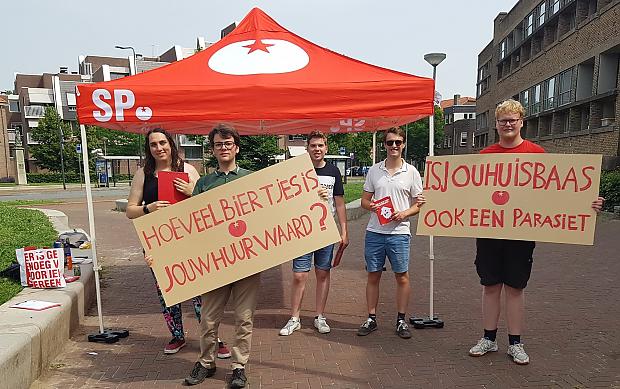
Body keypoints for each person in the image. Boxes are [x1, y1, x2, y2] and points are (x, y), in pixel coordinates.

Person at [468, 99, 605, 365]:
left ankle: (515, 343)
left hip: (521, 231)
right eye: (503, 120)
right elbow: (466, 192)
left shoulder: (537, 154)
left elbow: (555, 192)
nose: (508, 124)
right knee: (491, 286)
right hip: (489, 231)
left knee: (516, 287)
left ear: (521, 122)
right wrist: (436, 200)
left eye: (512, 119)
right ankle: (488, 338)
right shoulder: (484, 157)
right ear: (496, 125)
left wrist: (587, 202)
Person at [126, 128, 231, 359]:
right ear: (149, 148)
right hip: (159, 241)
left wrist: (192, 191)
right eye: (153, 144)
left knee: (201, 291)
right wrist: (148, 208)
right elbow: (130, 211)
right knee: (167, 291)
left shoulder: (188, 170)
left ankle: (213, 337)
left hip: (188, 239)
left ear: (170, 144)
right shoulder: (143, 174)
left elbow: (206, 202)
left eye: (162, 142)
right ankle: (177, 335)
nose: (159, 148)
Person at [357, 127, 425, 339]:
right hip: (375, 232)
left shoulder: (412, 172)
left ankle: (401, 320)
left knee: (402, 276)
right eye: (390, 143)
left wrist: (404, 213)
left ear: (403, 144)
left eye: (398, 142)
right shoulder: (374, 170)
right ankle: (371, 318)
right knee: (373, 275)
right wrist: (374, 206)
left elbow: (418, 204)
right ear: (384, 145)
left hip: (399, 233)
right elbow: (364, 201)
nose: (394, 146)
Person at [279, 131, 349, 336]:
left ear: (326, 148)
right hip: (304, 231)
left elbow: (340, 203)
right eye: (313, 146)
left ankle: (320, 316)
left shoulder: (334, 171)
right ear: (307, 148)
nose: (317, 149)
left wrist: (344, 230)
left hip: (326, 230)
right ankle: (294, 318)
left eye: (320, 146)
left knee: (322, 273)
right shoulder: (298, 171)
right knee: (299, 275)